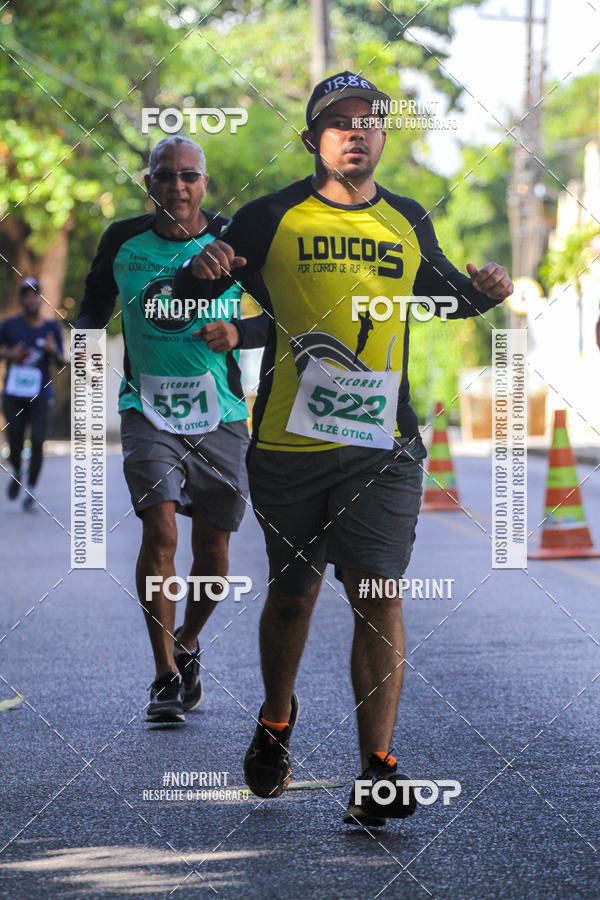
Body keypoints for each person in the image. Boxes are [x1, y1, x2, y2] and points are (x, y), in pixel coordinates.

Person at [174, 72, 514, 825]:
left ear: (383, 137)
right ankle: (275, 717)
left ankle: (375, 769)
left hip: (382, 442)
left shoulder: (407, 218)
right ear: (311, 140)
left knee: (376, 593)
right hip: (289, 445)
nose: (356, 131)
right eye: (339, 122)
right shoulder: (269, 218)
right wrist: (201, 275)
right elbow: (191, 297)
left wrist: (482, 290)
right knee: (294, 595)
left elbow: (441, 296)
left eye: (369, 121)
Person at [77, 136, 269, 724]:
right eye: (165, 176)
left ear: (203, 184)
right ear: (149, 183)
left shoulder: (235, 240)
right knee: (159, 529)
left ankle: (187, 640)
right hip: (147, 407)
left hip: (222, 412)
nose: (177, 187)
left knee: (213, 550)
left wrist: (242, 335)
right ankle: (164, 674)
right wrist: (82, 341)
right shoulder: (122, 240)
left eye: (188, 176)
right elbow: (92, 304)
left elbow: (290, 319)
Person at [0, 277, 66, 512]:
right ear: (21, 300)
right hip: (14, 394)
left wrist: (52, 350)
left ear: (41, 299)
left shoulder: (51, 328)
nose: (32, 299)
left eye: (36, 294)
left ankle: (31, 488)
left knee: (38, 440)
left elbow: (62, 363)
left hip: (41, 394)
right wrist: (10, 354)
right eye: (27, 294)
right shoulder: (9, 326)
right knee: (15, 442)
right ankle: (17, 470)